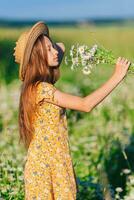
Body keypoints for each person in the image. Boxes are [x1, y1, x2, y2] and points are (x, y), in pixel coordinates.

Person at [13, 21, 131, 200]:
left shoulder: (35, 87)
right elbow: (86, 105)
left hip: (52, 162)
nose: (55, 52)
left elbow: (61, 48)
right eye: (48, 49)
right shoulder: (43, 89)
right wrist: (117, 76)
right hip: (47, 168)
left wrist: (88, 54)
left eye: (53, 47)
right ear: (36, 56)